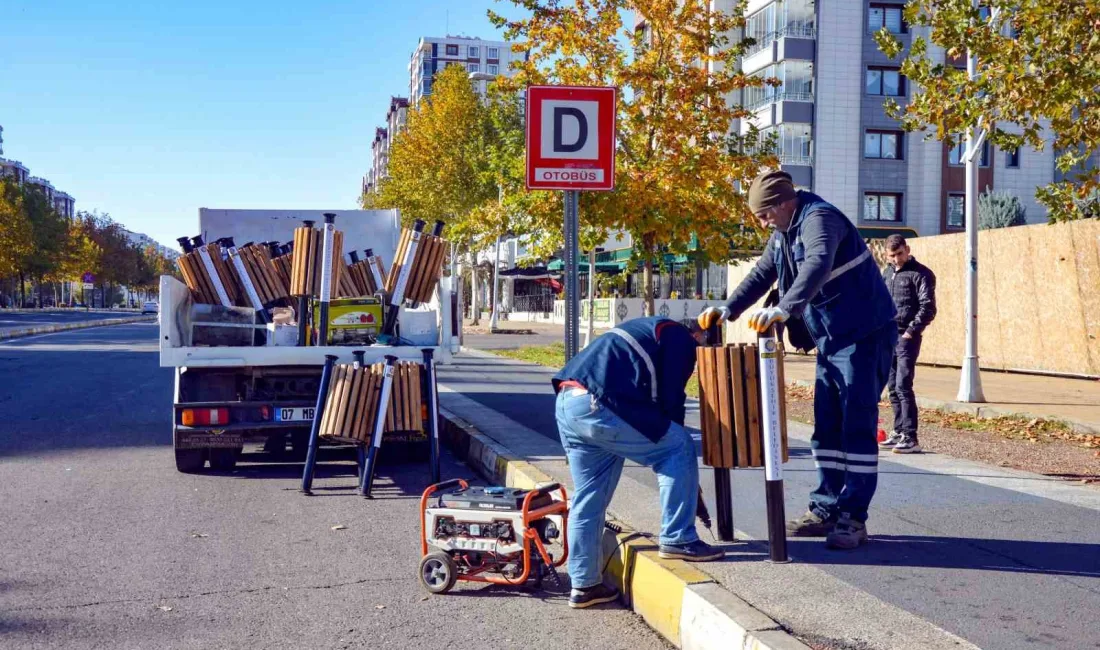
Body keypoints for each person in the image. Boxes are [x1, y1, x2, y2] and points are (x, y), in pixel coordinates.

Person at [698, 170, 897, 550]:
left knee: (856, 426)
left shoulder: (820, 219)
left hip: (865, 335)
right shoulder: (784, 232)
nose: (762, 222)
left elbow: (818, 263)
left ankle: (852, 518)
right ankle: (825, 508)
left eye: (764, 214)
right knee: (826, 425)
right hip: (832, 339)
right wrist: (729, 309)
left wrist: (786, 309)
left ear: (784, 203)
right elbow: (761, 273)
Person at [552, 316, 724, 609]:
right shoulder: (679, 337)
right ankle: (678, 538)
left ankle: (583, 585)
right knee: (678, 446)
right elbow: (671, 399)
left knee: (590, 496)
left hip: (568, 402)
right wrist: (684, 475)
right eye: (707, 346)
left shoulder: (649, 329)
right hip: (599, 404)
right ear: (699, 334)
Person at [879, 234, 937, 454]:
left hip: (906, 337)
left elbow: (928, 307)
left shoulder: (921, 274)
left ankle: (911, 437)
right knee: (893, 386)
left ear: (908, 249)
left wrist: (912, 331)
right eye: (892, 255)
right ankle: (899, 431)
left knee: (903, 385)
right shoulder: (887, 274)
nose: (896, 259)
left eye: (900, 254)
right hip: (888, 336)